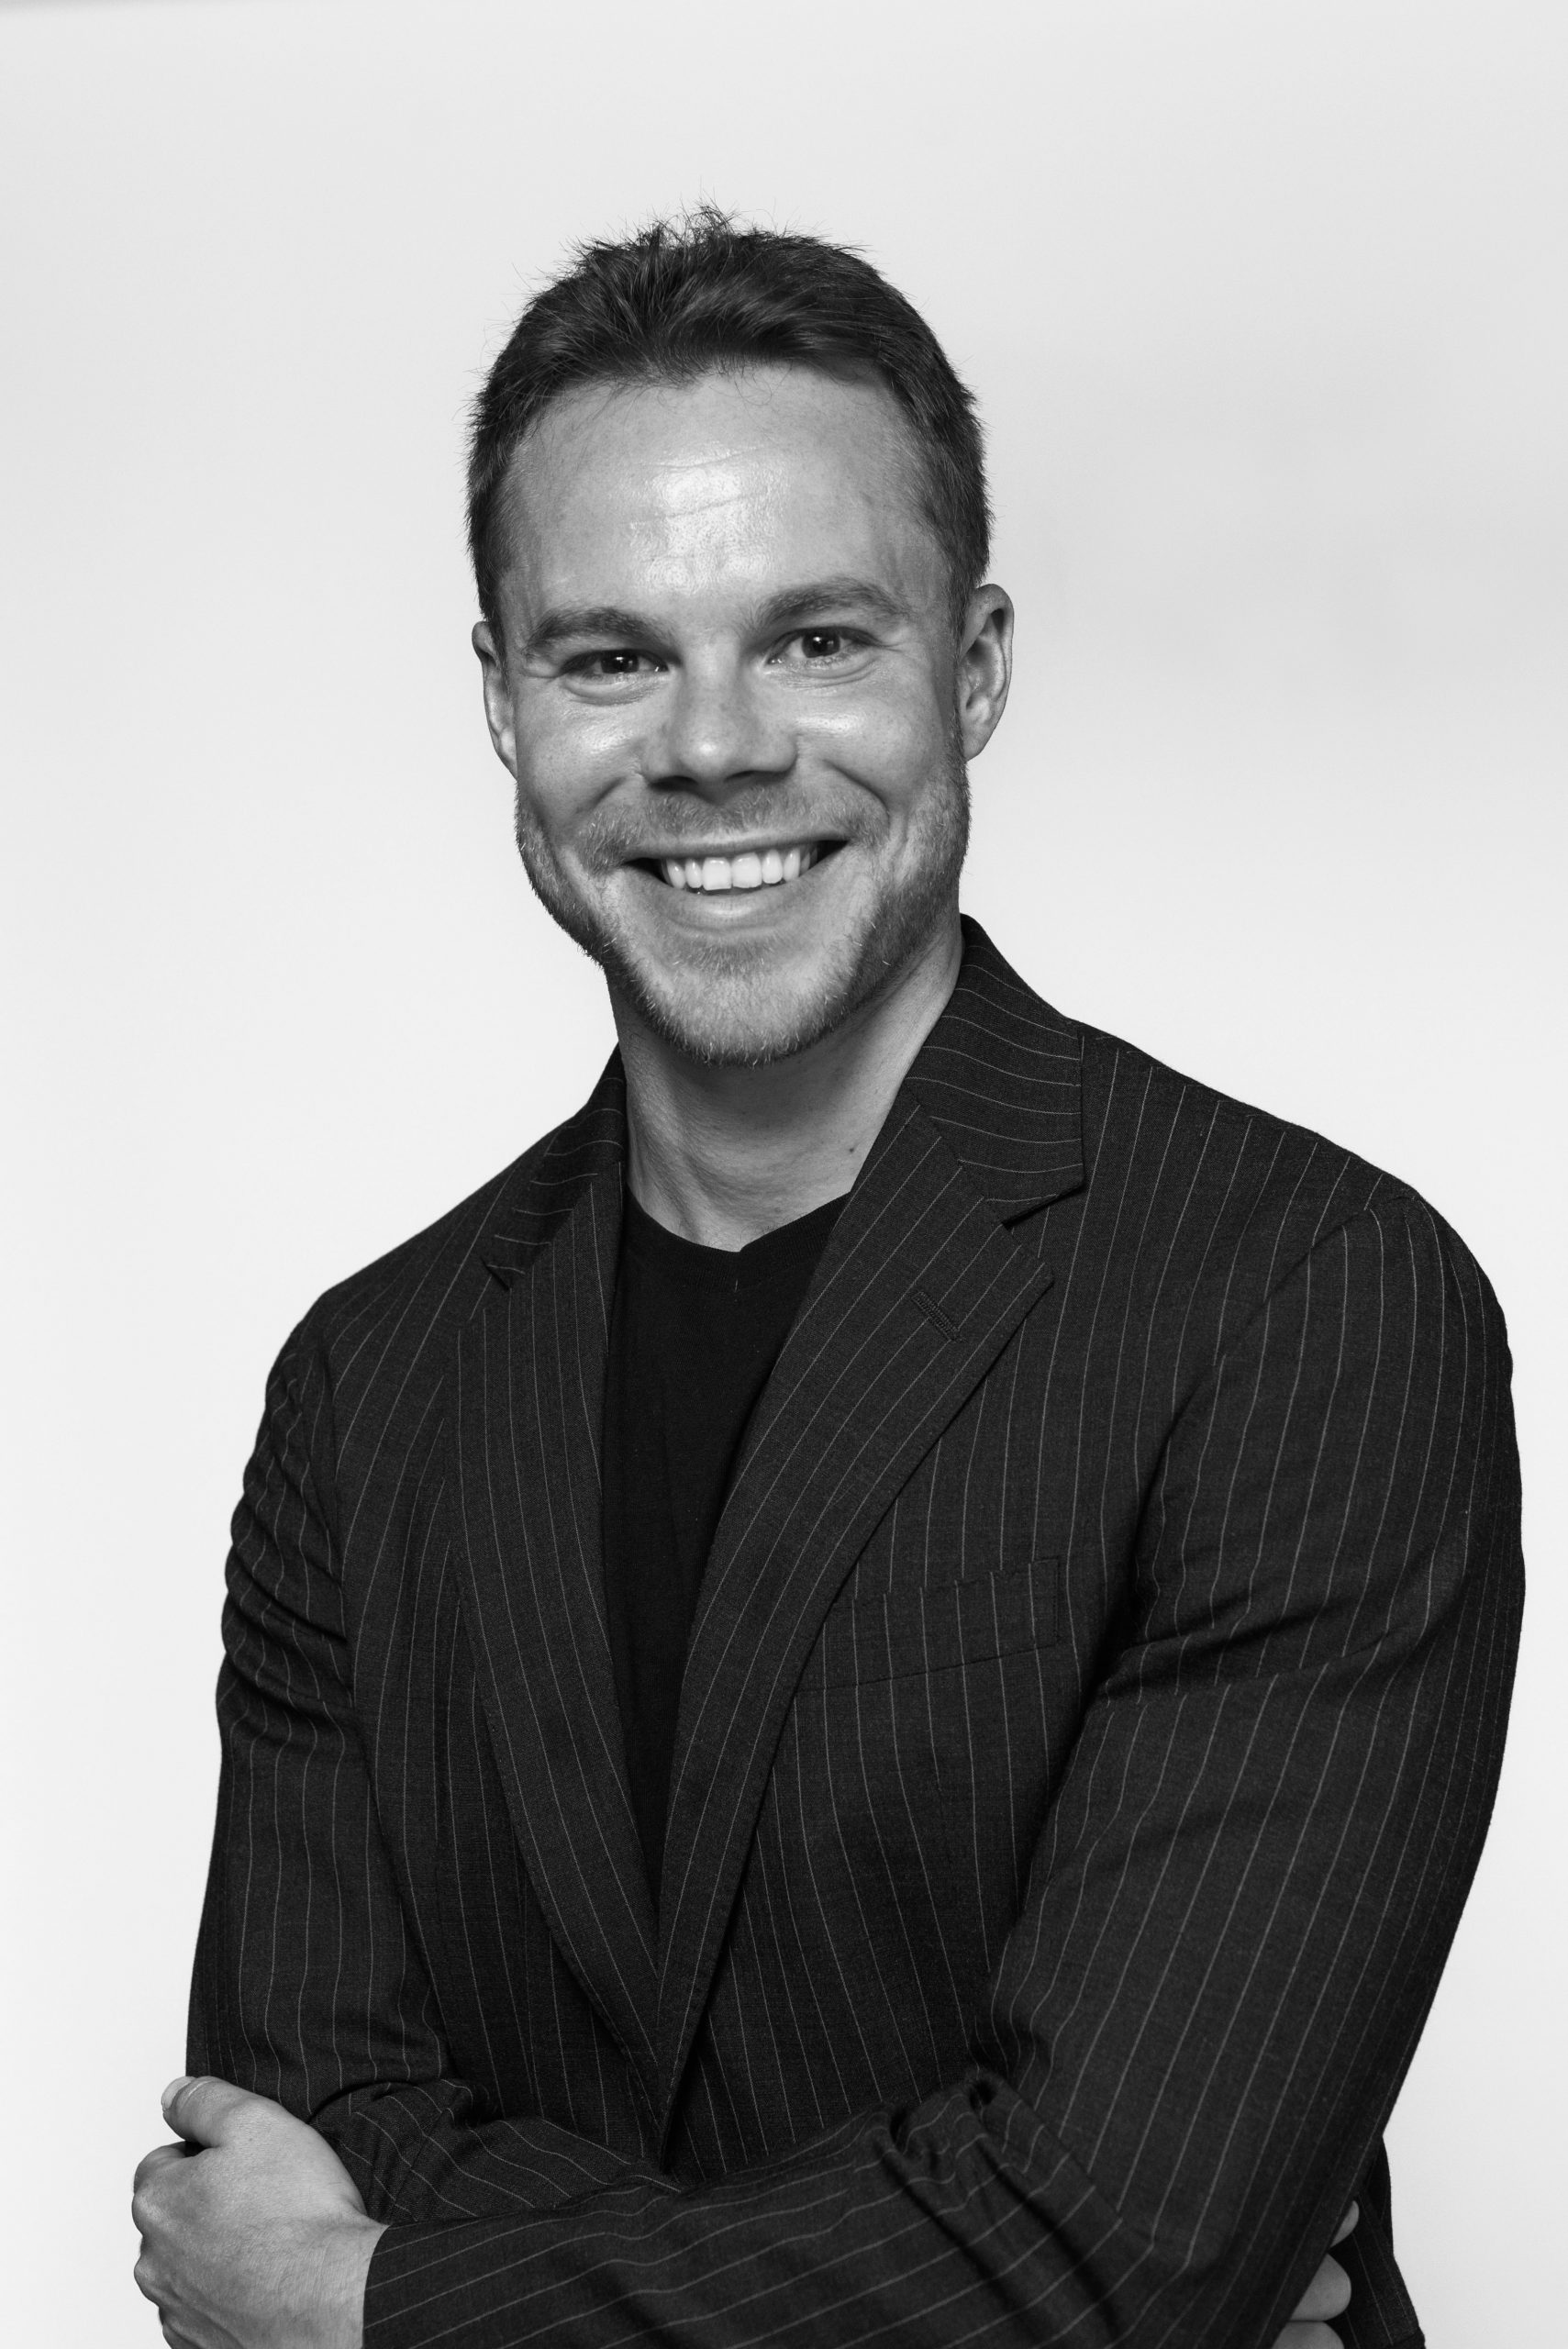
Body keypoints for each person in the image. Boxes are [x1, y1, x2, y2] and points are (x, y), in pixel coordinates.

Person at [133, 212, 1522, 2349]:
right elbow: (298, 2116)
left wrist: (372, 2307)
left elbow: (1111, 2249)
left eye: (814, 639)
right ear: (500, 702)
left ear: (970, 666)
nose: (711, 748)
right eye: (610, 655)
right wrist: (961, 2265)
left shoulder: (1310, 1307)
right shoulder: (369, 1382)